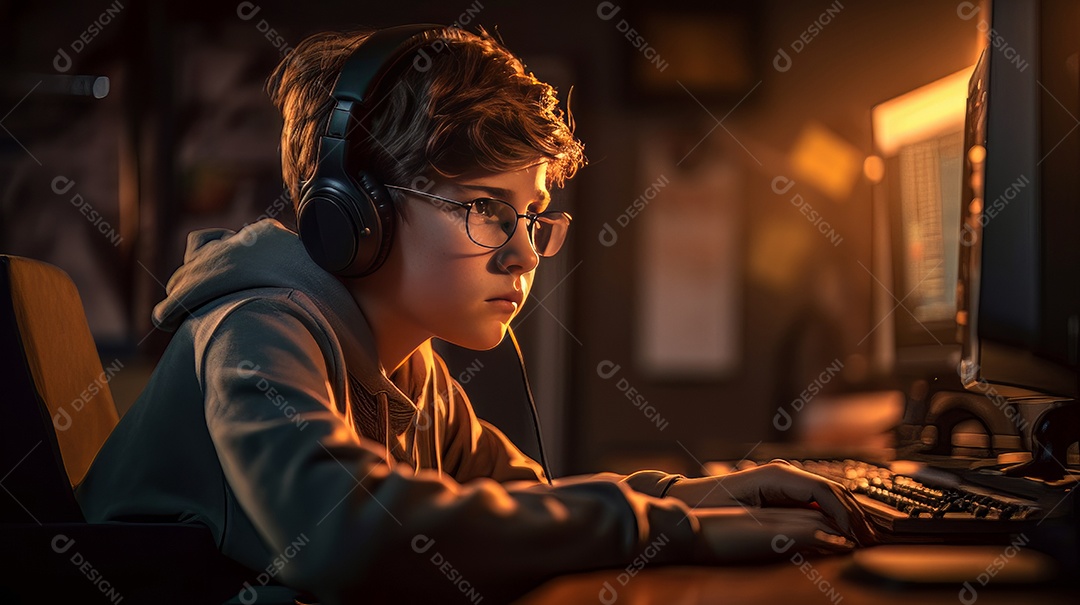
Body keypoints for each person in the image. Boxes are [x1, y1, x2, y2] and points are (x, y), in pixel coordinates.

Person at [76, 24, 875, 604]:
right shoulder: (255, 329)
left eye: (534, 217)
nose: (526, 255)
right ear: (356, 212)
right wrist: (667, 530)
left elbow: (521, 498)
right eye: (489, 210)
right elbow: (344, 535)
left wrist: (692, 494)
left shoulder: (412, 367)